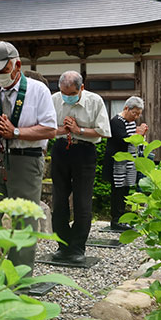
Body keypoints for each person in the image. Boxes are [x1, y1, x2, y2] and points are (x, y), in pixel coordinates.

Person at [0, 42, 57, 272]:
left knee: (23, 223)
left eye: (1, 71)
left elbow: (50, 129)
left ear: (17, 65)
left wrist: (16, 132)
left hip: (26, 160)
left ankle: (19, 282)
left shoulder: (38, 90)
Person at [50, 71, 111, 264]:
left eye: (71, 93)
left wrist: (79, 130)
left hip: (85, 151)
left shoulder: (95, 101)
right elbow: (46, 128)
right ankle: (62, 245)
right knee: (59, 200)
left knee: (82, 201)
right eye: (63, 92)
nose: (66, 97)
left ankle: (77, 247)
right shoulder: (53, 100)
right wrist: (63, 129)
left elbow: (104, 132)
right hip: (60, 150)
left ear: (81, 88)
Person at [104, 96, 148, 231]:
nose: (136, 117)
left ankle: (123, 218)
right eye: (134, 113)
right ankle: (116, 220)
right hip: (118, 163)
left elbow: (134, 141)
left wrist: (140, 135)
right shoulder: (116, 121)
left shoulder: (131, 122)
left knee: (126, 190)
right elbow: (123, 140)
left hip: (129, 162)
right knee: (117, 191)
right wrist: (137, 133)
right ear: (126, 108)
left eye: (139, 114)